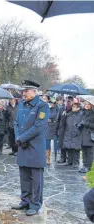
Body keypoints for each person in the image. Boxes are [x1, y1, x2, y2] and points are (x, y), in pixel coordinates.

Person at [11, 80, 49, 216]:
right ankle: (25, 201)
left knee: (36, 178)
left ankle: (35, 204)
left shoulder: (42, 106)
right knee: (24, 175)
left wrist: (22, 138)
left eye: (26, 91)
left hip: (35, 147)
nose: (23, 93)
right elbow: (16, 123)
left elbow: (39, 126)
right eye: (23, 91)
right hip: (22, 145)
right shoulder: (21, 104)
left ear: (34, 91)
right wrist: (18, 137)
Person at [59, 102, 83, 168]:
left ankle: (76, 163)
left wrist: (78, 127)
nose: (73, 108)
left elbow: (82, 123)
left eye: (75, 107)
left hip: (76, 133)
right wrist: (63, 115)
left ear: (79, 107)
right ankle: (69, 161)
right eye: (73, 106)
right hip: (68, 133)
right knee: (69, 147)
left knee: (76, 149)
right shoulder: (69, 114)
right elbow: (64, 123)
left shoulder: (81, 114)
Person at [77, 100, 94, 173]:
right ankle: (84, 165)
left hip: (89, 135)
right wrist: (78, 124)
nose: (86, 105)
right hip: (82, 135)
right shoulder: (82, 113)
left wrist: (85, 123)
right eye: (85, 104)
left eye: (88, 104)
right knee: (83, 151)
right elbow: (79, 122)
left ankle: (88, 166)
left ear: (91, 105)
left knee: (89, 152)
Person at [57, 96, 74, 164]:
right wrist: (57, 129)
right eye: (67, 101)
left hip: (70, 129)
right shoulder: (62, 108)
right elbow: (58, 119)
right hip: (62, 129)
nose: (68, 102)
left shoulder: (74, 109)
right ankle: (62, 158)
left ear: (72, 101)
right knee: (61, 144)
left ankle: (70, 159)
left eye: (70, 101)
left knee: (69, 145)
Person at [42, 95, 58, 165]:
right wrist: (46, 119)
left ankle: (56, 157)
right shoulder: (43, 107)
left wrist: (48, 118)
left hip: (54, 127)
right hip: (46, 127)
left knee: (55, 144)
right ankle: (47, 158)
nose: (51, 104)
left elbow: (55, 116)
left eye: (52, 103)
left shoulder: (56, 108)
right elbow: (41, 116)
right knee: (46, 142)